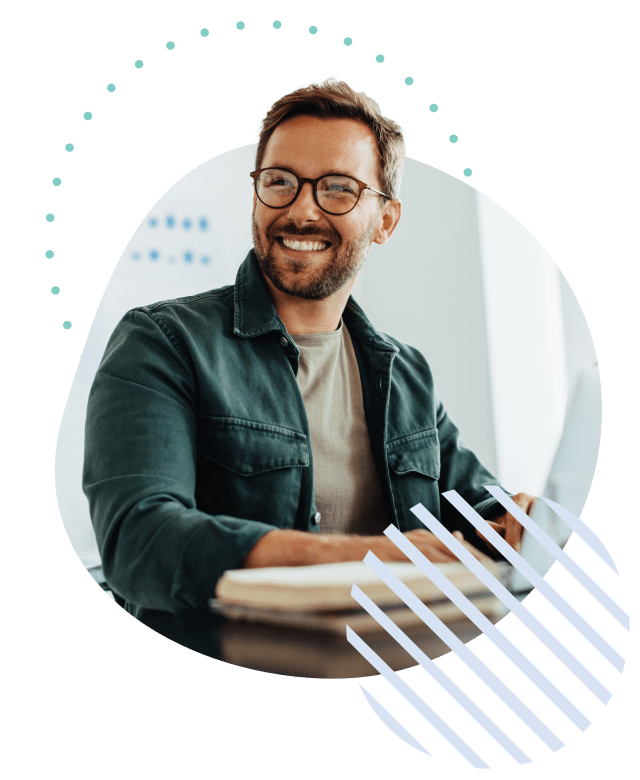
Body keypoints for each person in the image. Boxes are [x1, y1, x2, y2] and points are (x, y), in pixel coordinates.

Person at [83, 77, 535, 620]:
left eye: (339, 188)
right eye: (280, 182)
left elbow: (473, 502)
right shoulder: (162, 343)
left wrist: (521, 518)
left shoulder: (405, 373)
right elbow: (142, 541)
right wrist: (374, 559)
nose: (302, 211)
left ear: (385, 221)